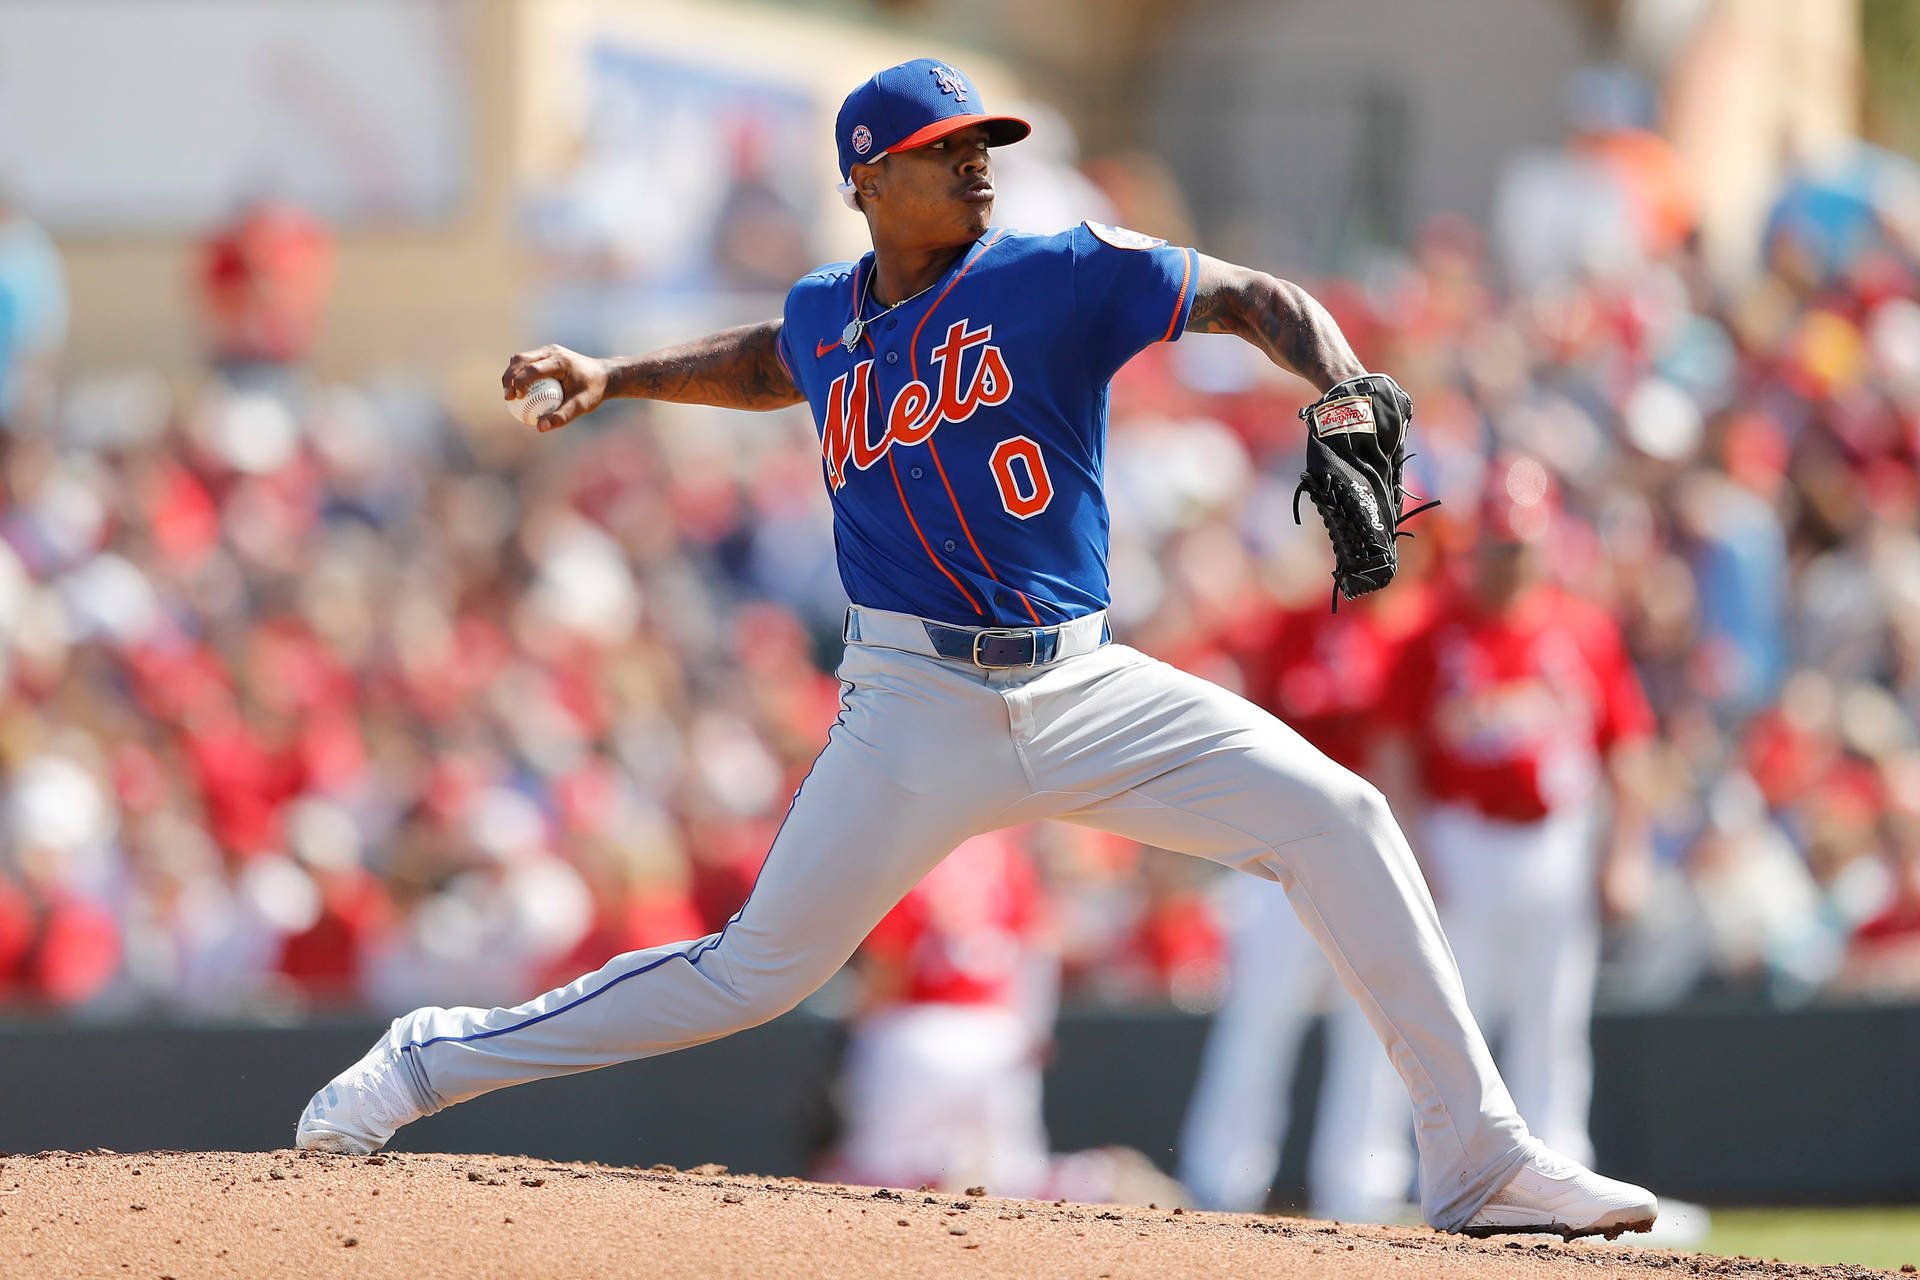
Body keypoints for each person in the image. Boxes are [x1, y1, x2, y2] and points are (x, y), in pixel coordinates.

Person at [296, 58, 1658, 1240]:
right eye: (948, 153)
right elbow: (773, 359)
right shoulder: (836, 311)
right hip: (912, 705)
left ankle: (1478, 1158)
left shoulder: (1061, 272)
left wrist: (1345, 379)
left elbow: (1248, 295)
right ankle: (429, 1064)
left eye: (983, 146)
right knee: (755, 974)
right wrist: (619, 376)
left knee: (1342, 815)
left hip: (1084, 682)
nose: (979, 167)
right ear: (871, 181)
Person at [1379, 457, 1655, 1166]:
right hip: (1461, 834)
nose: (1508, 560)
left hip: (1556, 839)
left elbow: (1626, 748)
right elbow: (1395, 751)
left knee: (1553, 1020)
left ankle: (1562, 1167)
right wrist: (1413, 850)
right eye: (1498, 545)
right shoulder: (1438, 631)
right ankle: (1452, 1171)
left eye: (1520, 545)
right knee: (1453, 1021)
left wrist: (1626, 852)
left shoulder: (1582, 629)